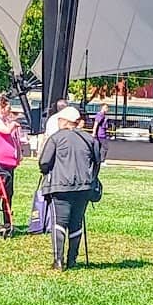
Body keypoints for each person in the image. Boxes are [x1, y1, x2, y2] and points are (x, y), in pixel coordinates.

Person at [37, 106, 101, 269]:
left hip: (60, 187)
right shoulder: (89, 139)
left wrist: (47, 171)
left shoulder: (56, 138)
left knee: (59, 222)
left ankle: (58, 261)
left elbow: (44, 162)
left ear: (65, 121)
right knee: (76, 222)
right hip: (84, 188)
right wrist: (91, 179)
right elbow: (97, 162)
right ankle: (72, 259)